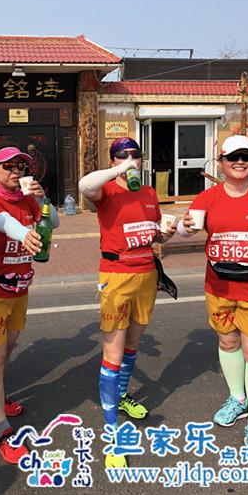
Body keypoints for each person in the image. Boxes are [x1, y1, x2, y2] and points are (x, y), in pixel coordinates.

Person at [178, 135, 248, 465]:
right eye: (233, 157)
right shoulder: (208, 197)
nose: (240, 162)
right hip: (219, 286)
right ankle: (238, 399)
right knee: (227, 342)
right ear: (221, 162)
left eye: (246, 157)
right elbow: (185, 228)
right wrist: (184, 227)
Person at [79, 136, 176, 468]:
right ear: (113, 160)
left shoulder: (148, 193)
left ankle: (121, 396)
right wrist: (120, 170)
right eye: (123, 155)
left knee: (133, 346)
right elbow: (85, 185)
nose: (131, 159)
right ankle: (111, 437)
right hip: (116, 276)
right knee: (114, 354)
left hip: (146, 274)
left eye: (136, 154)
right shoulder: (105, 190)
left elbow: (153, 232)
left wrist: (163, 235)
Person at [0, 142, 59, 464]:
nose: (15, 171)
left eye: (20, 166)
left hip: (19, 291)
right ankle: (1, 431)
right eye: (7, 166)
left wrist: (42, 198)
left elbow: (54, 222)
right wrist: (24, 235)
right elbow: (4, 223)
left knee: (6, 352)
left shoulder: (27, 199)